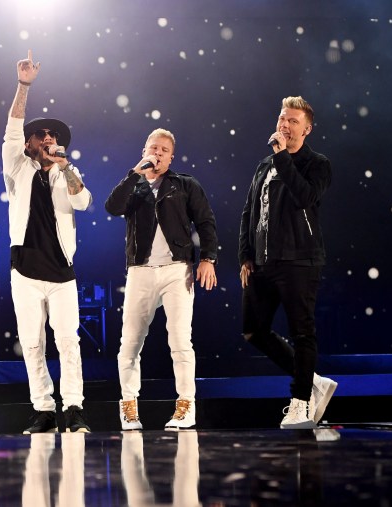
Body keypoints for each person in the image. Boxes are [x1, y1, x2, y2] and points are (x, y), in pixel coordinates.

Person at [3, 50, 93, 434]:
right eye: (40, 135)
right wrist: (23, 85)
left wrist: (66, 166)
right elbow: (12, 127)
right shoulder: (17, 168)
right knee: (32, 342)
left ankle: (73, 407)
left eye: (52, 135)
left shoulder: (67, 173)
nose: (47, 138)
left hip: (61, 272)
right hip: (25, 270)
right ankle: (43, 409)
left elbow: (83, 202)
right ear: (27, 145)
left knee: (68, 341)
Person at [105, 128, 218, 431]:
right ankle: (129, 407)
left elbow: (206, 221)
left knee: (180, 341)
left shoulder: (184, 185)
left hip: (175, 269)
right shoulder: (135, 187)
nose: (157, 153)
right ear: (144, 151)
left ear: (171, 157)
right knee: (129, 342)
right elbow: (112, 207)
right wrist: (134, 175)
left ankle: (185, 406)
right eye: (152, 147)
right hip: (140, 271)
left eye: (163, 150)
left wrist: (208, 258)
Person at [239, 96, 337, 429]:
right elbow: (249, 212)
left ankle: (300, 402)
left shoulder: (316, 163)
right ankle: (313, 381)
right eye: (283, 118)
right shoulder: (264, 165)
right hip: (264, 261)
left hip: (300, 260)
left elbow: (305, 197)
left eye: (293, 121)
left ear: (306, 129)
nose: (285, 125)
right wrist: (245, 256)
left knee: (301, 332)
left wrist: (283, 156)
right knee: (254, 330)